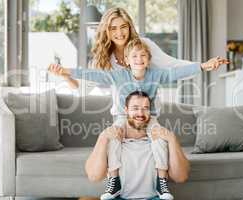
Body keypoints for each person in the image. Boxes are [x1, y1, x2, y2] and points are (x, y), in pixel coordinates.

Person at [48, 37, 228, 200]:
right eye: (134, 56)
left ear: (148, 59)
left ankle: (161, 182)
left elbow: (177, 73)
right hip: (122, 117)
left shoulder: (156, 75)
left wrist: (203, 66)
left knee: (159, 140)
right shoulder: (119, 76)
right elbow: (95, 74)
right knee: (114, 138)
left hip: (151, 117)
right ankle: (114, 181)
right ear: (126, 60)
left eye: (143, 56)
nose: (139, 59)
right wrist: (67, 71)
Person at [88, 90, 190, 200]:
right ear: (126, 110)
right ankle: (115, 183)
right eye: (135, 108)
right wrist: (102, 137)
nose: (140, 113)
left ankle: (161, 183)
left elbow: (181, 177)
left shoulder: (160, 138)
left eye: (145, 108)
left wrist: (172, 139)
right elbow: (94, 177)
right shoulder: (113, 138)